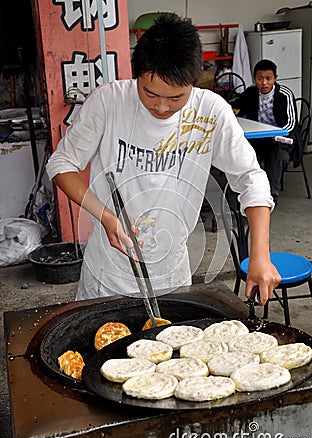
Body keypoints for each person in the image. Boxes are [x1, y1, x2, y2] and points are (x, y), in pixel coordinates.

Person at [46, 13, 280, 306]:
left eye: (176, 98)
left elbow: (251, 178)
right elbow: (61, 165)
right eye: (150, 93)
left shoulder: (210, 112)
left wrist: (260, 254)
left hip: (172, 274)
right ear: (137, 75)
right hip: (107, 274)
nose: (161, 106)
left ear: (194, 83)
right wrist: (106, 216)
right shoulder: (109, 102)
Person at [231, 59, 302, 203]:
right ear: (254, 79)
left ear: (275, 78)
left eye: (268, 78)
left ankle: (269, 195)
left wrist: (276, 135)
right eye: (259, 78)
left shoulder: (284, 94)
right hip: (258, 139)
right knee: (241, 151)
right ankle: (248, 192)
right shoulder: (251, 92)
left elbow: (291, 124)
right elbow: (233, 105)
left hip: (282, 141)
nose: (264, 83)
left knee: (276, 153)